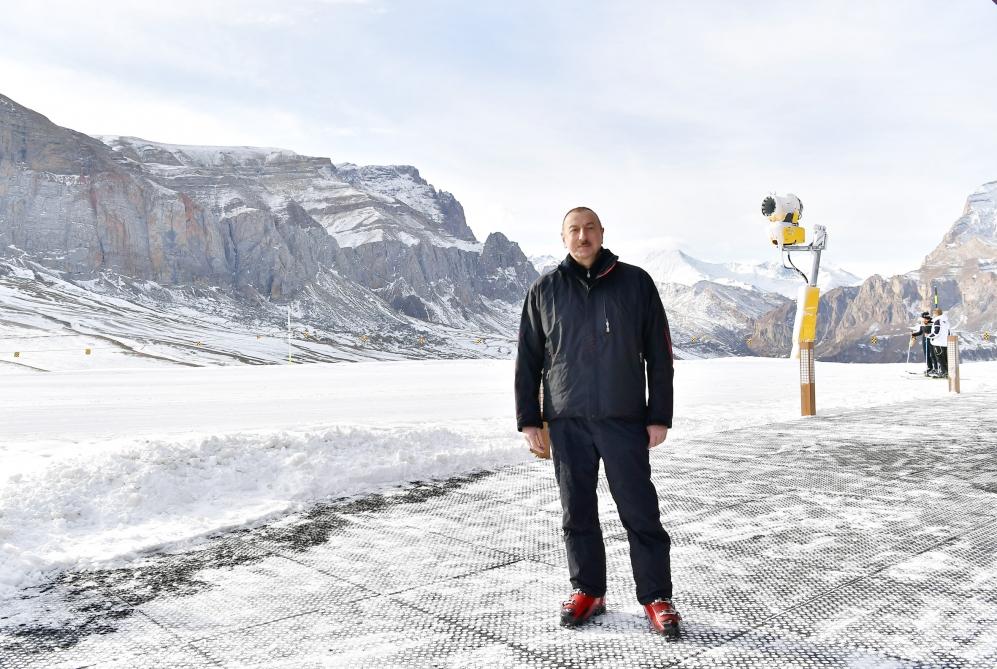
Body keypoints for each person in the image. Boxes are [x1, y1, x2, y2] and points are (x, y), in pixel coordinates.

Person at [514, 206, 680, 637]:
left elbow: (660, 354)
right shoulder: (544, 290)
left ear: (602, 233)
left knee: (639, 511)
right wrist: (529, 419)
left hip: (623, 419)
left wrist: (658, 415)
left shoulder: (635, 283)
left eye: (589, 228)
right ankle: (589, 589)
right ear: (563, 237)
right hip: (566, 421)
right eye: (574, 230)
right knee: (577, 512)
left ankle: (656, 596)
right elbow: (528, 360)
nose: (582, 236)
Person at [910, 311, 937, 376]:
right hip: (924, 340)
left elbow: (934, 332)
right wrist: (914, 334)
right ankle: (930, 367)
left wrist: (929, 334)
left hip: (931, 340)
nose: (923, 320)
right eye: (922, 319)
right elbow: (920, 332)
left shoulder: (932, 323)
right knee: (926, 354)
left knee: (933, 355)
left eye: (924, 319)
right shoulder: (922, 323)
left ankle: (936, 368)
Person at [928, 308, 950, 378]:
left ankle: (944, 372)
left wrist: (929, 336)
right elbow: (948, 332)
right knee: (945, 358)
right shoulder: (946, 321)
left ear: (936, 314)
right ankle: (946, 372)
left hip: (938, 342)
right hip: (945, 342)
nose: (933, 315)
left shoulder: (937, 321)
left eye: (934, 313)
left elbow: (936, 332)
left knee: (940, 358)